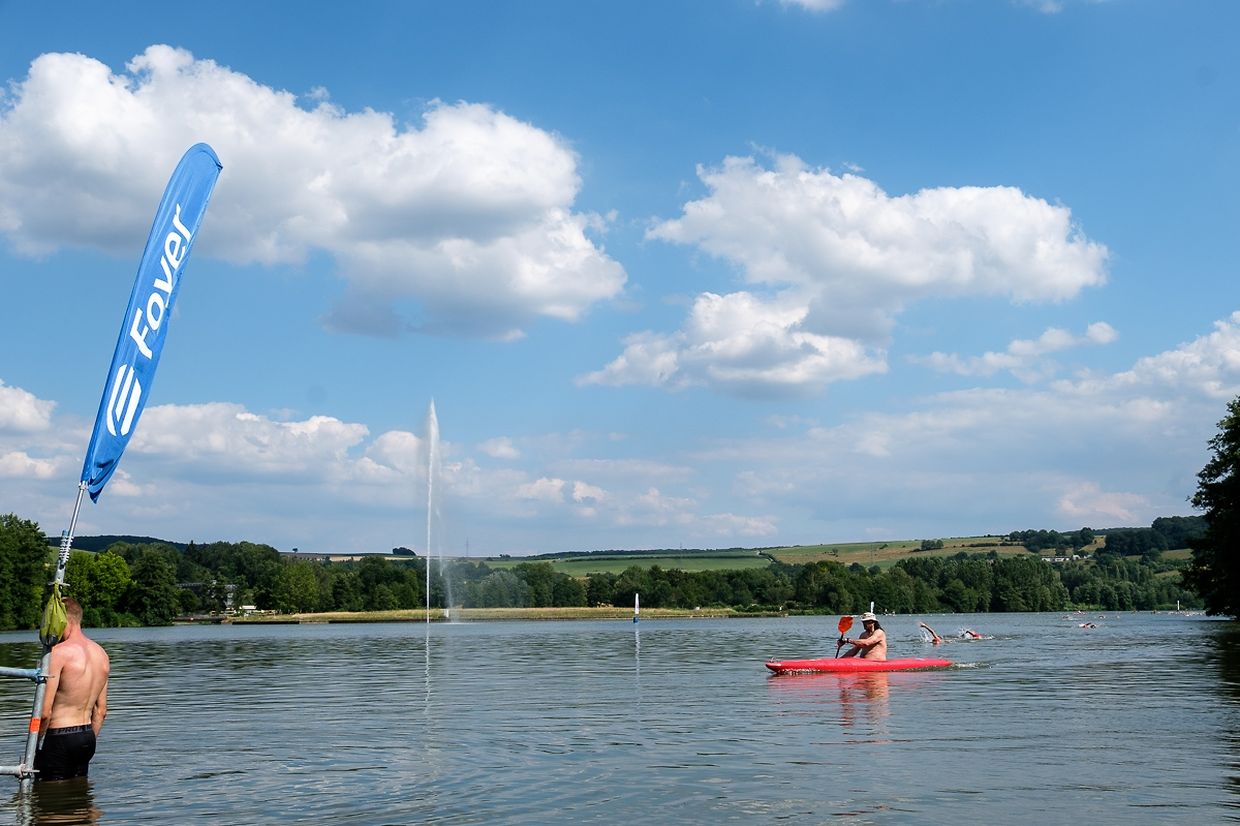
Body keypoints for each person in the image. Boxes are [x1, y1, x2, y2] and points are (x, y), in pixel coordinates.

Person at [35, 597, 109, 782]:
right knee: (80, 796)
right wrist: (86, 740)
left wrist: (35, 746)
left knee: (50, 802)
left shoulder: (58, 654)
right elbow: (101, 712)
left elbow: (44, 712)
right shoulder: (101, 654)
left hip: (59, 737)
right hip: (87, 738)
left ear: (62, 620)